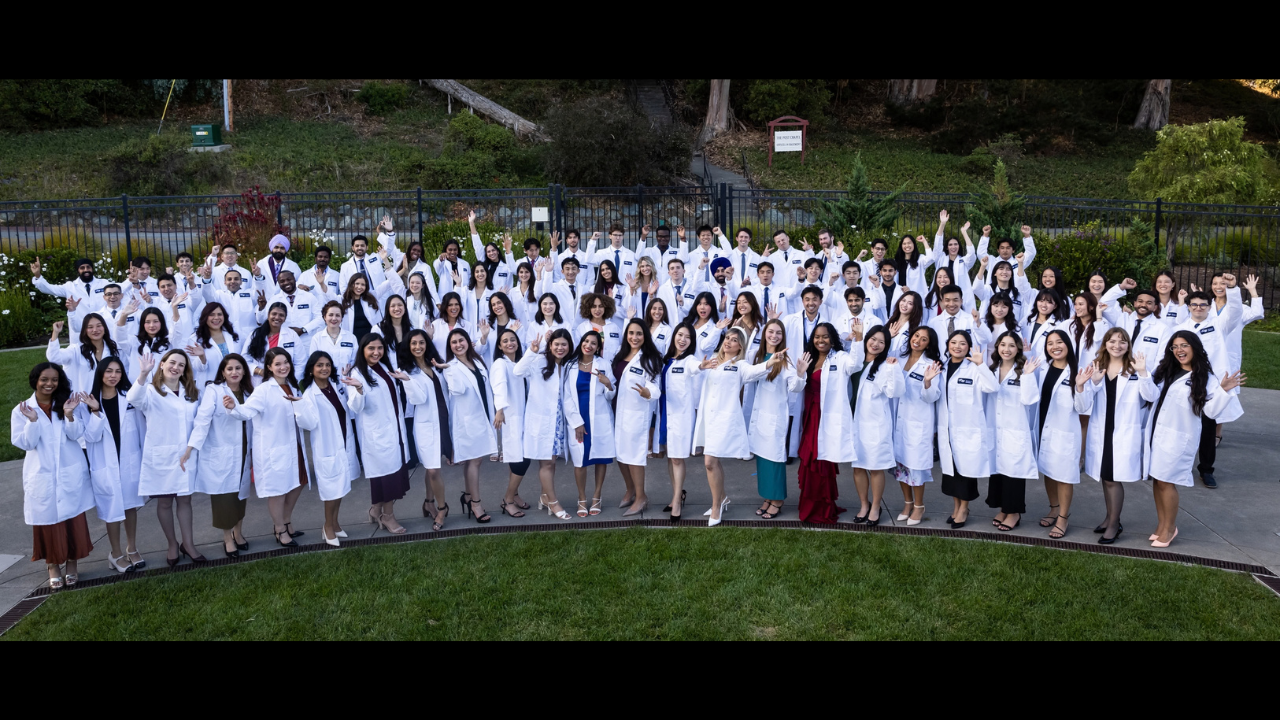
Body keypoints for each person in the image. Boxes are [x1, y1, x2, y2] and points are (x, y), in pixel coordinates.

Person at [1140, 331, 1245, 547]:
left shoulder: (1205, 377)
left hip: (1178, 438)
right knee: (1158, 480)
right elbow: (1150, 396)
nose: (1179, 350)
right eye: (1175, 346)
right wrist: (1142, 373)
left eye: (1184, 345)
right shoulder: (1166, 371)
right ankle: (1162, 525)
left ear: (1195, 347)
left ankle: (1169, 529)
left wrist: (1223, 391)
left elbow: (1211, 411)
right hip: (1156, 434)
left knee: (1167, 482)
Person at [12, 363, 95, 589]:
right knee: (47, 522)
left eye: (54, 379)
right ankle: (52, 566)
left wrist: (69, 415)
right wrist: (32, 421)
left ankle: (72, 564)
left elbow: (77, 435)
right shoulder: (22, 410)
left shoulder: (67, 404)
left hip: (69, 470)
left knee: (72, 520)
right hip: (42, 474)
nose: (49, 384)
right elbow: (25, 443)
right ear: (35, 380)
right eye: (44, 379)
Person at [225, 347, 308, 548]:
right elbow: (246, 411)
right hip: (274, 448)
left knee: (298, 483)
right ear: (269, 367)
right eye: (277, 364)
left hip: (293, 445)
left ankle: (286, 521)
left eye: (285, 362)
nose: (283, 367)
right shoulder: (263, 390)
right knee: (277, 490)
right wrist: (233, 408)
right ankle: (279, 529)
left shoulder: (292, 386)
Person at [127, 349, 204, 567]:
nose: (175, 367)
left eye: (181, 365)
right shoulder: (150, 391)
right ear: (162, 364)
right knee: (164, 501)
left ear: (184, 370)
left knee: (185, 500)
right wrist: (142, 374)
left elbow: (199, 422)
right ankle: (172, 543)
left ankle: (188, 544)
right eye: (172, 362)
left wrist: (191, 447)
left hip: (186, 455)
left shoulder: (192, 393)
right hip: (162, 455)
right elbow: (133, 398)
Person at [1021, 331, 1095, 539]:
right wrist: (1027, 357)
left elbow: (1083, 407)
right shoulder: (1043, 367)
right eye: (1050, 343)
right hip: (1043, 426)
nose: (1055, 346)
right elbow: (1030, 390)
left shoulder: (1077, 371)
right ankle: (1054, 508)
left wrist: (1080, 386)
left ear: (1068, 345)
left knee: (1063, 476)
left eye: (1059, 342)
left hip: (1064, 432)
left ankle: (1063, 516)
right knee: (1048, 471)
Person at [182, 353, 253, 557]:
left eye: (238, 368)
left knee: (241, 496)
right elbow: (202, 420)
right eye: (229, 368)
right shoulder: (214, 390)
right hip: (222, 452)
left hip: (243, 451)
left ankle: (238, 534)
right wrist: (191, 447)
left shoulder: (248, 392)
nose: (234, 372)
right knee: (224, 498)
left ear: (244, 371)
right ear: (222, 371)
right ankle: (227, 538)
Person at [79, 358, 145, 572]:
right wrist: (96, 411)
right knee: (112, 509)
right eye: (108, 371)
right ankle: (115, 554)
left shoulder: (129, 398)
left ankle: (132, 549)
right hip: (105, 464)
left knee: (130, 506)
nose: (113, 375)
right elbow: (90, 437)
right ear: (100, 374)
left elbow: (141, 428)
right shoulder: (88, 402)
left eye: (117, 371)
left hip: (128, 460)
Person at [1175, 280, 1243, 488]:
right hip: (1184, 383)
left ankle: (1206, 469)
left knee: (1207, 427)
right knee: (1181, 426)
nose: (1198, 308)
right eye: (1194, 305)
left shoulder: (1218, 325)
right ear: (1188, 307)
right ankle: (1178, 466)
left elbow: (1235, 310)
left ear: (1209, 307)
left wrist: (1232, 290)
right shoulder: (1180, 328)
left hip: (1209, 385)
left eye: (1203, 305)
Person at [1082, 328, 1146, 544]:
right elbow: (1084, 403)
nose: (1117, 345)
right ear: (1105, 344)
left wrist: (1145, 373)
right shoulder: (1097, 367)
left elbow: (1150, 396)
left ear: (1128, 345)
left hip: (1123, 431)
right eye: (1112, 341)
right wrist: (1093, 383)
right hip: (1102, 428)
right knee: (1105, 476)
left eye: (1122, 342)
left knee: (1112, 478)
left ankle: (1114, 524)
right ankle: (1109, 517)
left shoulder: (1135, 369)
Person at [347, 333, 414, 533]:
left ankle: (376, 510)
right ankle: (388, 517)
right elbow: (356, 407)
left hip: (393, 430)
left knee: (390, 474)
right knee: (387, 477)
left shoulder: (384, 367)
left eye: (380, 348)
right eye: (371, 348)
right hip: (377, 434)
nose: (376, 352)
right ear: (363, 350)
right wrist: (359, 389)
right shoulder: (358, 373)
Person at [797, 323, 863, 523]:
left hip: (826, 415)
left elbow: (856, 365)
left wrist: (858, 339)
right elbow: (796, 386)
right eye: (817, 337)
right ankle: (811, 504)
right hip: (810, 415)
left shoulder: (840, 358)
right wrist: (799, 373)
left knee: (821, 460)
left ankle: (823, 508)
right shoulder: (809, 357)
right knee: (810, 459)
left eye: (825, 337)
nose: (820, 340)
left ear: (832, 339)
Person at [295, 350, 363, 545]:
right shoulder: (310, 394)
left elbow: (351, 407)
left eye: (326, 365)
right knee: (331, 491)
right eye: (319, 365)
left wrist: (356, 387)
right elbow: (308, 424)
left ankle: (335, 523)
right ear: (311, 370)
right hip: (327, 448)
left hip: (342, 442)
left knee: (340, 487)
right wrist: (299, 407)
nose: (324, 368)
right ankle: (327, 526)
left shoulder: (335, 385)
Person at [935, 330, 1000, 529]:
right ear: (947, 345)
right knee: (951, 474)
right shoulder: (941, 367)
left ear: (969, 347)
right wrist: (928, 381)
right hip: (947, 429)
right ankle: (956, 507)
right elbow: (933, 395)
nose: (957, 346)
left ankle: (964, 508)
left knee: (965, 473)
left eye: (962, 343)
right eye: (953, 342)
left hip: (968, 429)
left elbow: (992, 387)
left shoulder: (974, 368)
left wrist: (981, 364)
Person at [746, 319, 806, 520]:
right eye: (771, 331)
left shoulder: (785, 360)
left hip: (774, 419)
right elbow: (748, 377)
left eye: (778, 333)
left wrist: (800, 374)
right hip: (760, 417)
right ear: (764, 334)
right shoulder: (758, 356)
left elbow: (794, 387)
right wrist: (768, 362)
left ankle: (778, 500)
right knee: (762, 461)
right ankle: (767, 497)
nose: (774, 336)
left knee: (775, 460)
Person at [692, 327, 751, 526]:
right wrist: (702, 366)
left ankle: (716, 506)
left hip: (724, 419)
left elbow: (755, 372)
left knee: (709, 462)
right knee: (713, 461)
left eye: (734, 340)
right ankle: (722, 498)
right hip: (708, 418)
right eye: (727, 338)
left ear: (740, 346)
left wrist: (771, 362)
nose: (728, 342)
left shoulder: (740, 365)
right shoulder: (713, 361)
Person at [513, 328, 575, 519]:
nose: (560, 348)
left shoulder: (565, 366)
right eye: (556, 344)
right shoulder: (538, 361)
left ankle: (544, 496)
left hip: (556, 421)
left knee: (552, 462)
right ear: (550, 345)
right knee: (546, 463)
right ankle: (554, 503)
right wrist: (531, 351)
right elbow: (517, 371)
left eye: (564, 344)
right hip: (540, 421)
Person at [443, 329, 500, 523]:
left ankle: (467, 496)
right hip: (466, 421)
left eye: (461, 340)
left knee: (472, 460)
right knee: (474, 461)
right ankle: (476, 503)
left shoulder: (477, 361)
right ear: (449, 347)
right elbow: (457, 390)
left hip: (481, 414)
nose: (458, 344)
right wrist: (448, 370)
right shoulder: (450, 366)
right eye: (454, 342)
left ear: (468, 342)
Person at [984, 330, 1038, 532]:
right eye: (1003, 345)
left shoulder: (1024, 370)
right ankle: (1003, 508)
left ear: (1018, 349)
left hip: (1015, 428)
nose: (1006, 349)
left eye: (1011, 345)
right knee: (998, 470)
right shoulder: (991, 369)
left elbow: (1029, 399)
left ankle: (1014, 512)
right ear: (997, 347)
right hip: (995, 428)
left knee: (1014, 471)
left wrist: (1029, 376)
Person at [851, 325, 904, 525]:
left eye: (882, 342)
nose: (876, 344)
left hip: (874, 423)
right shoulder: (854, 359)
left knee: (875, 467)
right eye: (873, 339)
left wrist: (892, 369)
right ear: (866, 340)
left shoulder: (886, 365)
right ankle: (864, 504)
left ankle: (875, 507)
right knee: (857, 467)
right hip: (853, 420)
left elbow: (895, 392)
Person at [401, 330, 452, 530]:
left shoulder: (435, 363)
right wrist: (407, 381)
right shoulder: (407, 370)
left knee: (433, 467)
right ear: (409, 346)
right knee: (432, 469)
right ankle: (442, 508)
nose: (418, 347)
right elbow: (417, 400)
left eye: (421, 343)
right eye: (413, 343)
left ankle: (428, 502)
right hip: (425, 424)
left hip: (443, 420)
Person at [612, 319, 663, 516]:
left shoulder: (649, 358)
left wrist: (648, 393)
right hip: (617, 412)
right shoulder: (621, 355)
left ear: (645, 336)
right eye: (631, 333)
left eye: (639, 334)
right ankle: (630, 489)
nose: (634, 337)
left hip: (636, 413)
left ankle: (641, 497)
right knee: (621, 456)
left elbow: (655, 385)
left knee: (634, 457)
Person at [893, 326, 942, 526]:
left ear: (928, 344)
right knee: (901, 466)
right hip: (899, 421)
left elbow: (932, 397)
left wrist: (928, 383)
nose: (918, 341)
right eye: (916, 336)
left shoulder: (931, 365)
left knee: (916, 467)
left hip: (918, 422)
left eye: (923, 339)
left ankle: (919, 506)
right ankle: (907, 503)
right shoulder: (899, 359)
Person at [564, 330, 616, 514]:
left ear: (598, 347)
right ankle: (581, 498)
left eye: (593, 343)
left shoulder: (604, 364)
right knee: (580, 461)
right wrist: (577, 422)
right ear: (581, 343)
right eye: (586, 341)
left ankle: (596, 496)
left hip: (600, 418)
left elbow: (611, 394)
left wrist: (608, 384)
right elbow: (566, 396)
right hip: (579, 418)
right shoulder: (569, 365)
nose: (589, 345)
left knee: (600, 457)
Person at [656, 324, 701, 520]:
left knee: (677, 458)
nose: (683, 339)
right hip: (665, 411)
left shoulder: (689, 360)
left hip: (680, 414)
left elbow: (695, 367)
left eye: (688, 337)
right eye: (680, 335)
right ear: (674, 336)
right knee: (670, 456)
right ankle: (677, 494)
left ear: (692, 342)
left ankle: (676, 502)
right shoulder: (666, 360)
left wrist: (702, 365)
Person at [489, 327, 530, 519]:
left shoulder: (520, 363)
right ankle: (508, 500)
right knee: (521, 460)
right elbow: (499, 386)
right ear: (499, 346)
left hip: (524, 415)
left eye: (512, 339)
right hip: (510, 416)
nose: (509, 343)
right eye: (505, 341)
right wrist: (499, 409)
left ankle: (515, 494)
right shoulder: (500, 363)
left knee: (517, 459)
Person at [46, 315, 120, 393]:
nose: (95, 330)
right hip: (80, 400)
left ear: (104, 328)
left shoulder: (112, 349)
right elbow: (54, 358)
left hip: (105, 397)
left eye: (99, 326)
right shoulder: (75, 350)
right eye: (90, 327)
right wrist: (55, 333)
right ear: (85, 330)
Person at [244, 303, 304, 385]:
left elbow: (300, 362)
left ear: (285, 318)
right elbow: (245, 359)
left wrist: (289, 380)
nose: (277, 317)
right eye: (274, 314)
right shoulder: (255, 335)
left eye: (281, 315)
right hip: (260, 381)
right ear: (268, 315)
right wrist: (260, 371)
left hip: (286, 382)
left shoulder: (292, 335)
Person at [186, 302, 243, 387]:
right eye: (212, 315)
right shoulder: (195, 339)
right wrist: (202, 357)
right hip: (210, 385)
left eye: (219, 314)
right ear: (205, 317)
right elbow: (198, 368)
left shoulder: (233, 334)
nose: (216, 318)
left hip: (234, 385)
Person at [933, 212, 978, 298]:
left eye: (955, 244)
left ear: (959, 246)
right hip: (941, 295)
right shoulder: (941, 258)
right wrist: (942, 224)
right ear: (946, 247)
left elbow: (972, 253)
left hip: (959, 297)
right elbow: (937, 245)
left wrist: (964, 232)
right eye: (950, 245)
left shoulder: (964, 261)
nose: (953, 247)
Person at [340, 235, 397, 304]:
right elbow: (343, 288)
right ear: (353, 248)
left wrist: (390, 232)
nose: (359, 248)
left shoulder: (376, 258)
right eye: (357, 246)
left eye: (362, 245)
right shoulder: (345, 266)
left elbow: (389, 248)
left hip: (380, 298)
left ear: (367, 247)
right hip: (358, 301)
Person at [927, 284, 977, 358]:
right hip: (940, 363)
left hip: (966, 362)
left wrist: (978, 323)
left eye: (955, 300)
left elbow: (986, 339)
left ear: (961, 301)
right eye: (947, 300)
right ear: (942, 301)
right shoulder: (933, 322)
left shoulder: (971, 319)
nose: (951, 304)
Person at [310, 301, 358, 375]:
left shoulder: (351, 338)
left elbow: (355, 361)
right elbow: (313, 363)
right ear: (324, 317)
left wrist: (349, 371)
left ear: (342, 318)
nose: (334, 318)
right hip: (324, 381)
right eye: (331, 315)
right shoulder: (316, 338)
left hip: (347, 380)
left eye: (338, 315)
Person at [576, 293, 623, 363]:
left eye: (601, 306)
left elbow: (621, 347)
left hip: (611, 366)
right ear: (588, 308)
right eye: (594, 306)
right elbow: (577, 350)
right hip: (588, 366)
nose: (597, 310)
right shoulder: (582, 328)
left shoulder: (614, 327)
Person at [255, 234, 303, 299]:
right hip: (266, 302)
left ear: (286, 250)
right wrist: (258, 276)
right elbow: (255, 286)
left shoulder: (293, 266)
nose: (279, 250)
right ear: (272, 248)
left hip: (285, 303)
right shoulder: (261, 264)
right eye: (276, 247)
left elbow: (298, 285)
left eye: (282, 248)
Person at [340, 275, 384, 343]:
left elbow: (388, 283)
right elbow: (328, 295)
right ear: (351, 284)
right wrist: (322, 284)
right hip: (352, 340)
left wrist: (403, 269)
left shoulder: (372, 296)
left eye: (363, 284)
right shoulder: (343, 300)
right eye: (357, 283)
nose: (359, 287)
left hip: (371, 340)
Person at [376, 294, 414, 370]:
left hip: (409, 373)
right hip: (388, 372)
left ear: (405, 308)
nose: (397, 308)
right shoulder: (378, 329)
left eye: (400, 305)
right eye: (393, 306)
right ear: (388, 309)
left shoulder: (411, 328)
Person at [885, 290, 924, 357]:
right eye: (903, 300)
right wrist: (888, 336)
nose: (905, 305)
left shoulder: (918, 327)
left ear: (915, 307)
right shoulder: (889, 321)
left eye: (910, 303)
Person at [430, 292, 469, 360]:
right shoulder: (435, 324)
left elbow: (473, 349)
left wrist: (483, 337)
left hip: (461, 366)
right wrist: (429, 336)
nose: (454, 307)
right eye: (450, 305)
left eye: (456, 304)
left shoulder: (468, 325)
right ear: (445, 307)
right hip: (439, 366)